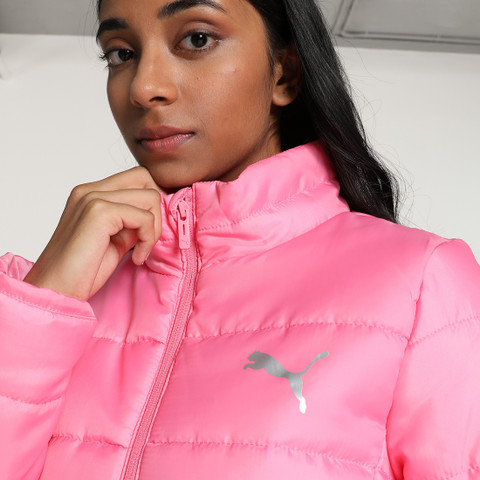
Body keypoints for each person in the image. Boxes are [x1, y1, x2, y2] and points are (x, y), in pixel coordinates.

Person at [0, 0, 479, 478]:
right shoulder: (58, 301)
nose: (144, 88)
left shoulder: (421, 284)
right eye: (121, 53)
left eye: (197, 39)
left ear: (285, 72)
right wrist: (41, 304)